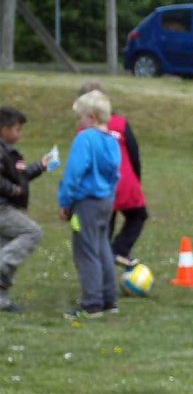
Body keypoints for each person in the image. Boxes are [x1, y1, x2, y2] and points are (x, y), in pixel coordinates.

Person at [58, 90, 121, 319]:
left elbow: (74, 173)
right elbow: (116, 174)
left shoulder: (85, 139)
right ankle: (109, 299)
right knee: (103, 247)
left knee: (85, 251)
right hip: (106, 201)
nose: (79, 122)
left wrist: (65, 201)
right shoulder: (112, 140)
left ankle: (92, 303)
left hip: (85, 202)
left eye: (81, 117)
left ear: (92, 117)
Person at [78, 82, 147, 268]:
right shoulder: (121, 123)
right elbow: (134, 153)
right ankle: (119, 250)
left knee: (104, 228)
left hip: (98, 187)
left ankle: (104, 262)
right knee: (138, 215)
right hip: (125, 183)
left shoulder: (83, 131)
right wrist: (136, 181)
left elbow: (81, 164)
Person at [0, 107, 50, 313]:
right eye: (17, 129)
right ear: (3, 129)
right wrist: (12, 190)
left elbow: (21, 176)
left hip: (9, 205)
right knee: (32, 232)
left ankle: (2, 301)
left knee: (5, 246)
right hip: (2, 208)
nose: (20, 134)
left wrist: (40, 166)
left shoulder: (11, 153)